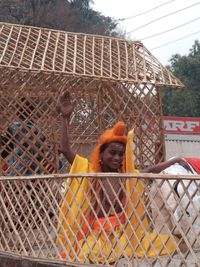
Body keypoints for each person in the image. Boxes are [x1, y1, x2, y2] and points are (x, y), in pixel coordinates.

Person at [56, 91, 178, 263]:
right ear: (101, 154)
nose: (116, 158)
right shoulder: (91, 173)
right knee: (91, 253)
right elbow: (66, 150)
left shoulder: (126, 177)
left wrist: (174, 161)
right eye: (112, 153)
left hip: (122, 235)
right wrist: (65, 118)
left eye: (120, 155)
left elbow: (151, 169)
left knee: (166, 243)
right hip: (96, 235)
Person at [144, 157, 200, 250]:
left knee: (162, 228)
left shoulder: (189, 161)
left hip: (160, 178)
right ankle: (195, 245)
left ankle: (163, 248)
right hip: (178, 181)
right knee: (191, 220)